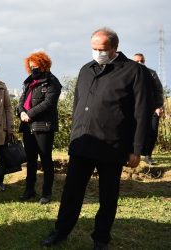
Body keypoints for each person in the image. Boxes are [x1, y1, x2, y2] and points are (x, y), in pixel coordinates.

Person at [43, 28, 153, 250]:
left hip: (113, 145)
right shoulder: (86, 69)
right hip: (83, 143)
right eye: (93, 48)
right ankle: (61, 230)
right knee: (71, 193)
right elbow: (77, 105)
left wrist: (137, 148)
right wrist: (74, 135)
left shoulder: (133, 72)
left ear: (114, 48)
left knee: (108, 196)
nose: (97, 53)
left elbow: (142, 112)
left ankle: (101, 238)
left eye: (101, 49)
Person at [17, 51, 62, 204]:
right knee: (30, 160)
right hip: (27, 126)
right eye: (31, 67)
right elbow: (21, 100)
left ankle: (46, 193)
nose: (33, 69)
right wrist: (22, 112)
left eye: (35, 66)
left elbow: (49, 103)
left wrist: (30, 114)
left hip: (43, 126)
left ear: (44, 65)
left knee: (45, 160)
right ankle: (29, 190)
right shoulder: (28, 81)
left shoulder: (52, 82)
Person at [133, 53, 165, 165]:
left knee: (152, 131)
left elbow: (159, 91)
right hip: (135, 109)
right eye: (136, 61)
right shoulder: (130, 74)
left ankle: (148, 155)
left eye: (141, 61)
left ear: (144, 61)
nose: (139, 63)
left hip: (152, 108)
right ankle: (132, 154)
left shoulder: (152, 73)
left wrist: (159, 107)